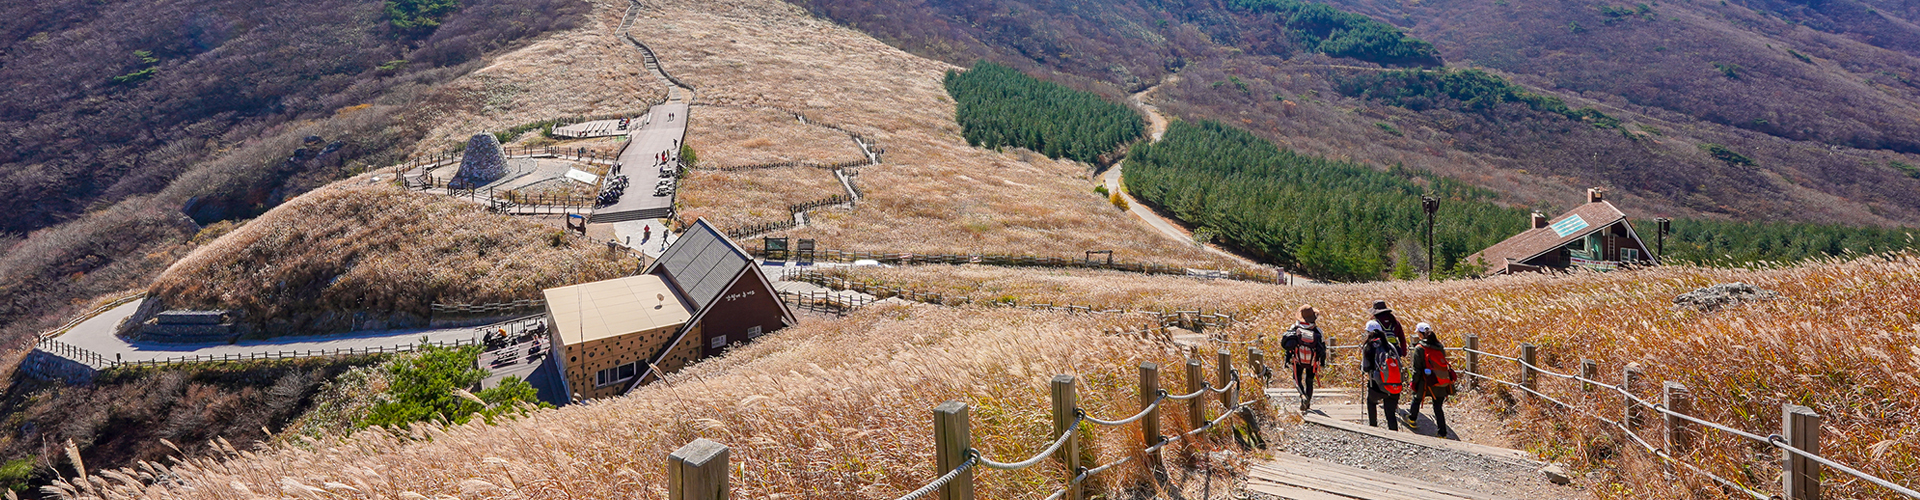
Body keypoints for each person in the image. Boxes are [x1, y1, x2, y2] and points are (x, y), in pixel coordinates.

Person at [1406, 322, 1454, 438]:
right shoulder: (1440, 346)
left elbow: (1417, 369)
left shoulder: (1419, 348)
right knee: (1437, 406)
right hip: (1440, 379)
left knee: (1416, 399)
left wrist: (1414, 383)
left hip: (1426, 381)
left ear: (1420, 334)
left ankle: (1412, 420)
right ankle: (1442, 432)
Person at [1279, 305, 1328, 412]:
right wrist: (1323, 363)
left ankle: (1302, 396)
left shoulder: (1295, 328)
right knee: (1309, 381)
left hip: (1298, 360)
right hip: (1312, 361)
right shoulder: (1317, 331)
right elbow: (1323, 348)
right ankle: (1308, 402)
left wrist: (1287, 360)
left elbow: (1287, 345)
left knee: (1297, 379)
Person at [1361, 320, 1405, 430]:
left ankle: (1373, 427)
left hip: (1376, 384)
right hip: (1394, 383)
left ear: (1369, 332)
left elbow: (1365, 367)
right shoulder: (1390, 345)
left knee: (1371, 402)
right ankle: (1394, 433)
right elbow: (1399, 363)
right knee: (1390, 413)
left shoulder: (1369, 346)